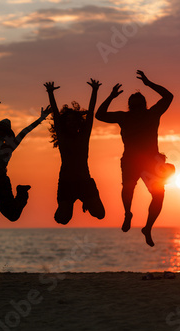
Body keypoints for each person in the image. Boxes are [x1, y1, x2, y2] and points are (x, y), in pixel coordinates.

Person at [96, 70, 175, 247]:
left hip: (151, 162)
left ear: (143, 105)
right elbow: (99, 115)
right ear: (131, 106)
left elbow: (169, 96)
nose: (137, 106)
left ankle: (147, 227)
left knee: (158, 195)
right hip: (132, 160)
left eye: (139, 104)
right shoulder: (126, 116)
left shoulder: (150, 114)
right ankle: (128, 214)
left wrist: (148, 83)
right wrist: (110, 97)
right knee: (129, 188)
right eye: (134, 104)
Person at [0, 93, 50, 229]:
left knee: (13, 216)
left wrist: (41, 119)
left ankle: (22, 192)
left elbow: (25, 132)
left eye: (3, 131)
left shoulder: (9, 146)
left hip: (1, 183)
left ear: (7, 134)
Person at [44, 79, 105, 225]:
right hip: (66, 182)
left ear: (78, 122)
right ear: (65, 123)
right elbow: (56, 119)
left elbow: (90, 115)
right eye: (68, 120)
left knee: (100, 214)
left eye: (74, 120)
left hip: (84, 181)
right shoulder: (62, 136)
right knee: (62, 220)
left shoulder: (83, 136)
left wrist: (95, 91)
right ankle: (72, 203)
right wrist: (50, 93)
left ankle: (87, 203)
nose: (71, 123)